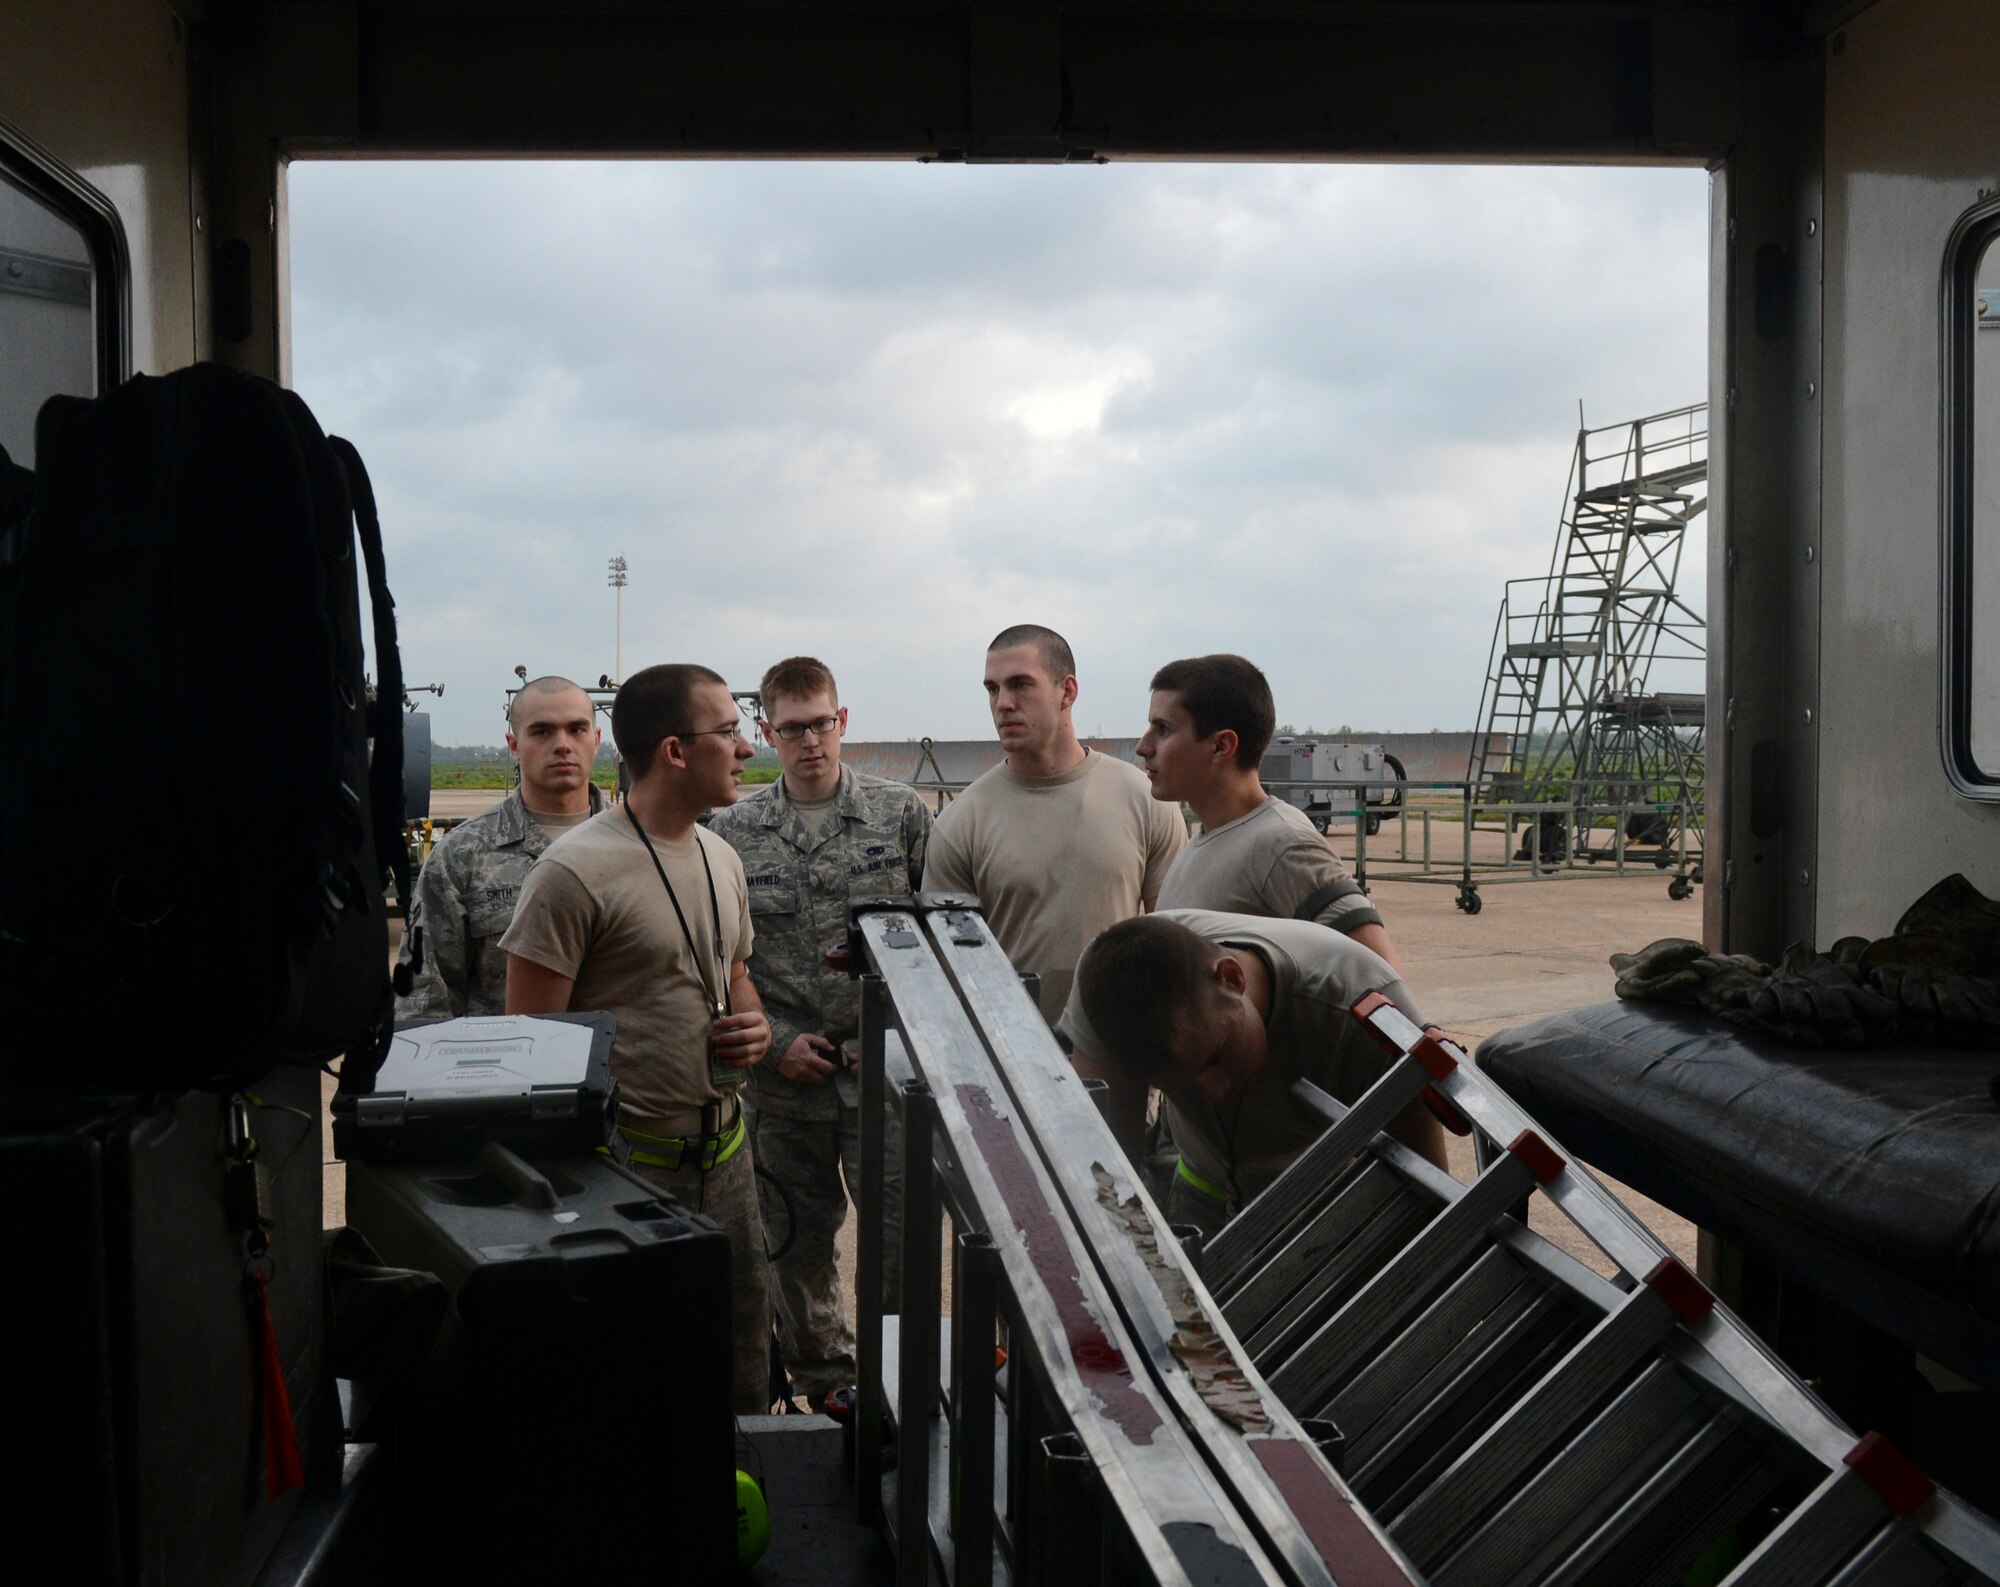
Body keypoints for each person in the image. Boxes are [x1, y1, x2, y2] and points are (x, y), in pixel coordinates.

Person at [501, 664, 775, 1412]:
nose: (746, 746)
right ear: (676, 751)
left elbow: (737, 970)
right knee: (633, 1389)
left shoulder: (722, 857)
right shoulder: (572, 874)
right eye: (728, 729)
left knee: (742, 1369)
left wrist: (752, 1020)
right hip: (628, 1179)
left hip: (728, 1163)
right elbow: (533, 1051)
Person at [707, 656, 932, 1410]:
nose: (811, 740)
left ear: (844, 721)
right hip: (785, 1085)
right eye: (793, 727)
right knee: (795, 1243)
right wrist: (774, 1046)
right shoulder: (730, 832)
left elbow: (935, 946)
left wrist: (892, 1036)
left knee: (900, 1241)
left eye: (823, 723)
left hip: (886, 1080)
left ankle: (901, 1380)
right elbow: (715, 963)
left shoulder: (900, 816)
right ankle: (828, 1385)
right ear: (767, 731)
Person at [922, 624, 1186, 1157]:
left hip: (1119, 1067)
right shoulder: (963, 820)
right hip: (1008, 1071)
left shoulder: (1144, 799)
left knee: (1121, 1219)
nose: (1003, 703)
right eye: (992, 689)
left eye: (1020, 684)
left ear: (1068, 691)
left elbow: (1172, 943)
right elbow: (947, 972)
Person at [1066, 910, 1448, 1238]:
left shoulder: (1363, 1010)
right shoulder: (1108, 990)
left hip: (1323, 1212)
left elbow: (1427, 1190)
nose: (1213, 1094)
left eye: (1215, 1058)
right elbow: (1106, 1173)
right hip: (1198, 1195)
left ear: (1232, 979)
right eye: (1179, 1086)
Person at [1139, 653, 1405, 969]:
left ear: (1222, 746)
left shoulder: (1283, 845)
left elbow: (1382, 976)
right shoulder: (1203, 841)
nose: (1144, 746)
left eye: (1164, 729)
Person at [394, 674, 609, 1019]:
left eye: (577, 729)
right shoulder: (462, 856)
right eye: (541, 732)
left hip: (620, 1068)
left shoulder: (636, 845)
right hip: (508, 1066)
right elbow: (424, 998)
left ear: (596, 740)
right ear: (513, 745)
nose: (563, 744)